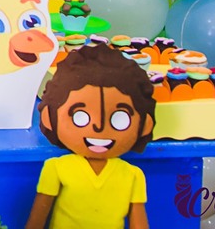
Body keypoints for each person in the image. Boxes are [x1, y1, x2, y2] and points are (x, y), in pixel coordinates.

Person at [25, 44, 156, 229]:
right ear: (48, 118)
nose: (99, 127)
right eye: (80, 117)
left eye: (120, 119)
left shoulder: (133, 176)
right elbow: (36, 220)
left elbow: (139, 223)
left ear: (145, 125)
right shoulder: (56, 168)